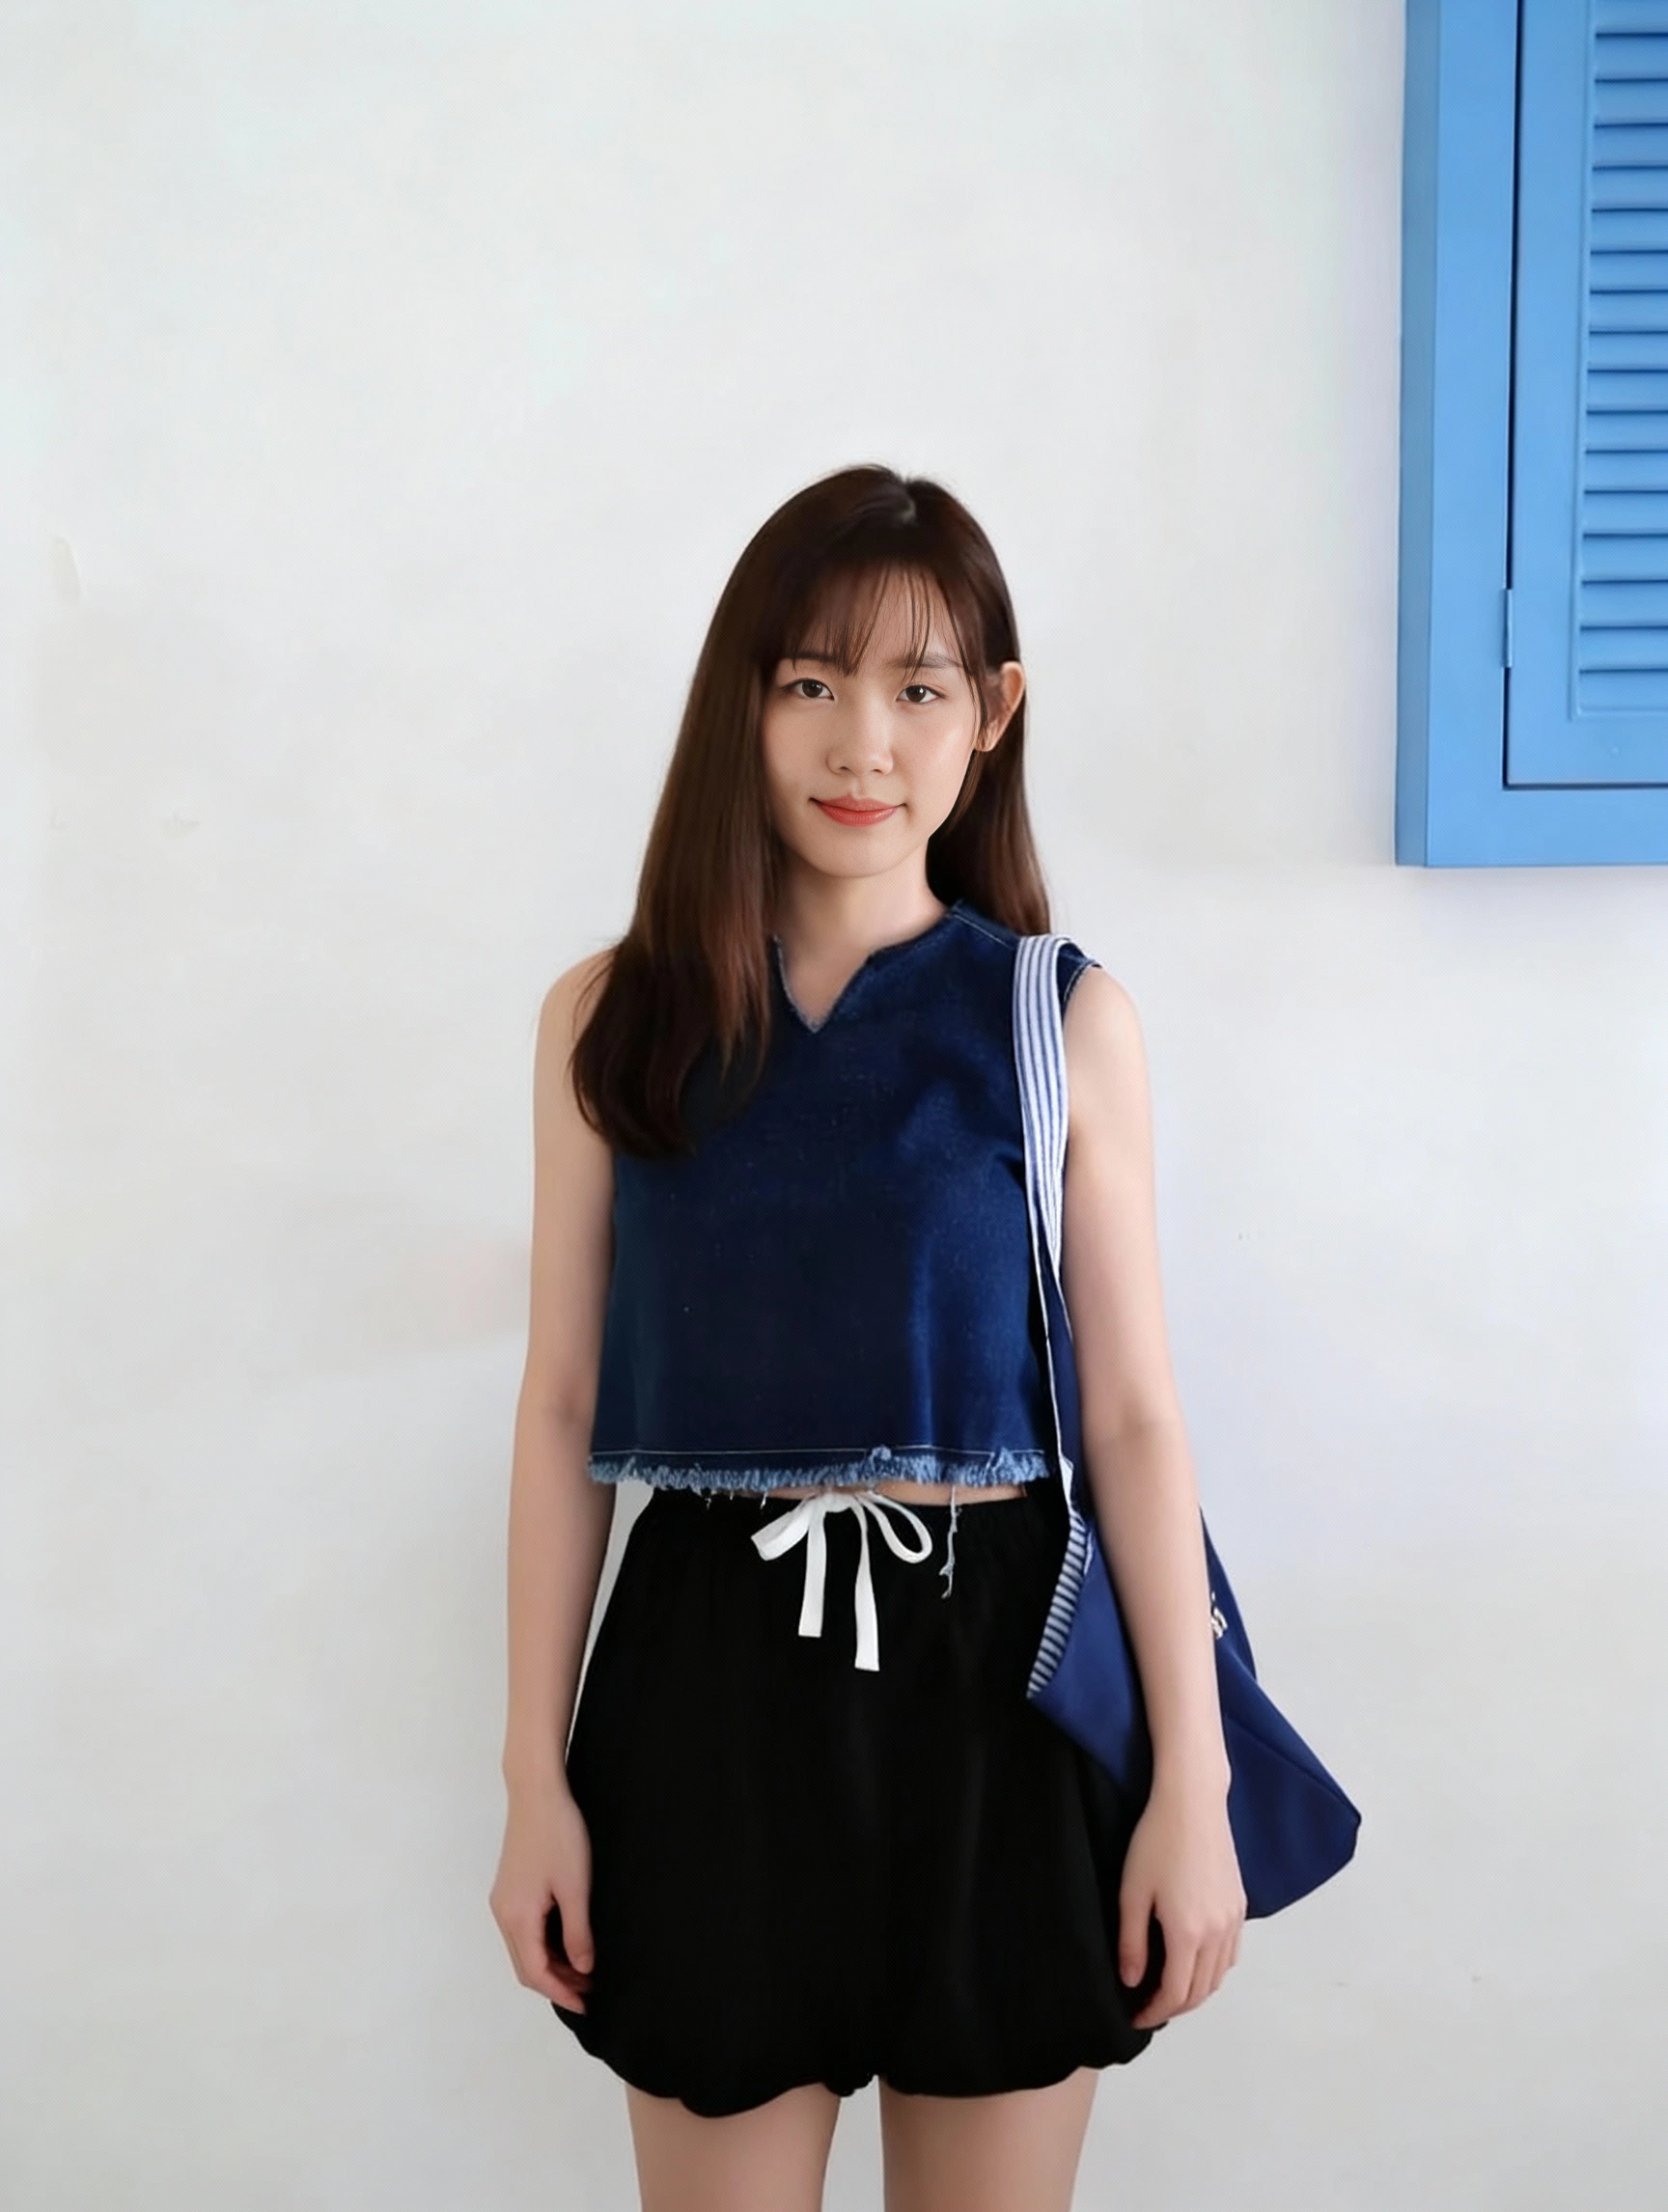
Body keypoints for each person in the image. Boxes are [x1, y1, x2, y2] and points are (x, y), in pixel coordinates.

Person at [489, 465, 1245, 2212]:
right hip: (704, 1689)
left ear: (994, 711)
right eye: (813, 682)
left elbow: (1133, 1420)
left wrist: (1191, 1788)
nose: (863, 744)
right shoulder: (613, 1019)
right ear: (744, 701)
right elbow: (563, 1406)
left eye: (918, 688)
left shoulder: (1060, 1020)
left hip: (1006, 1699)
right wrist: (532, 1778)